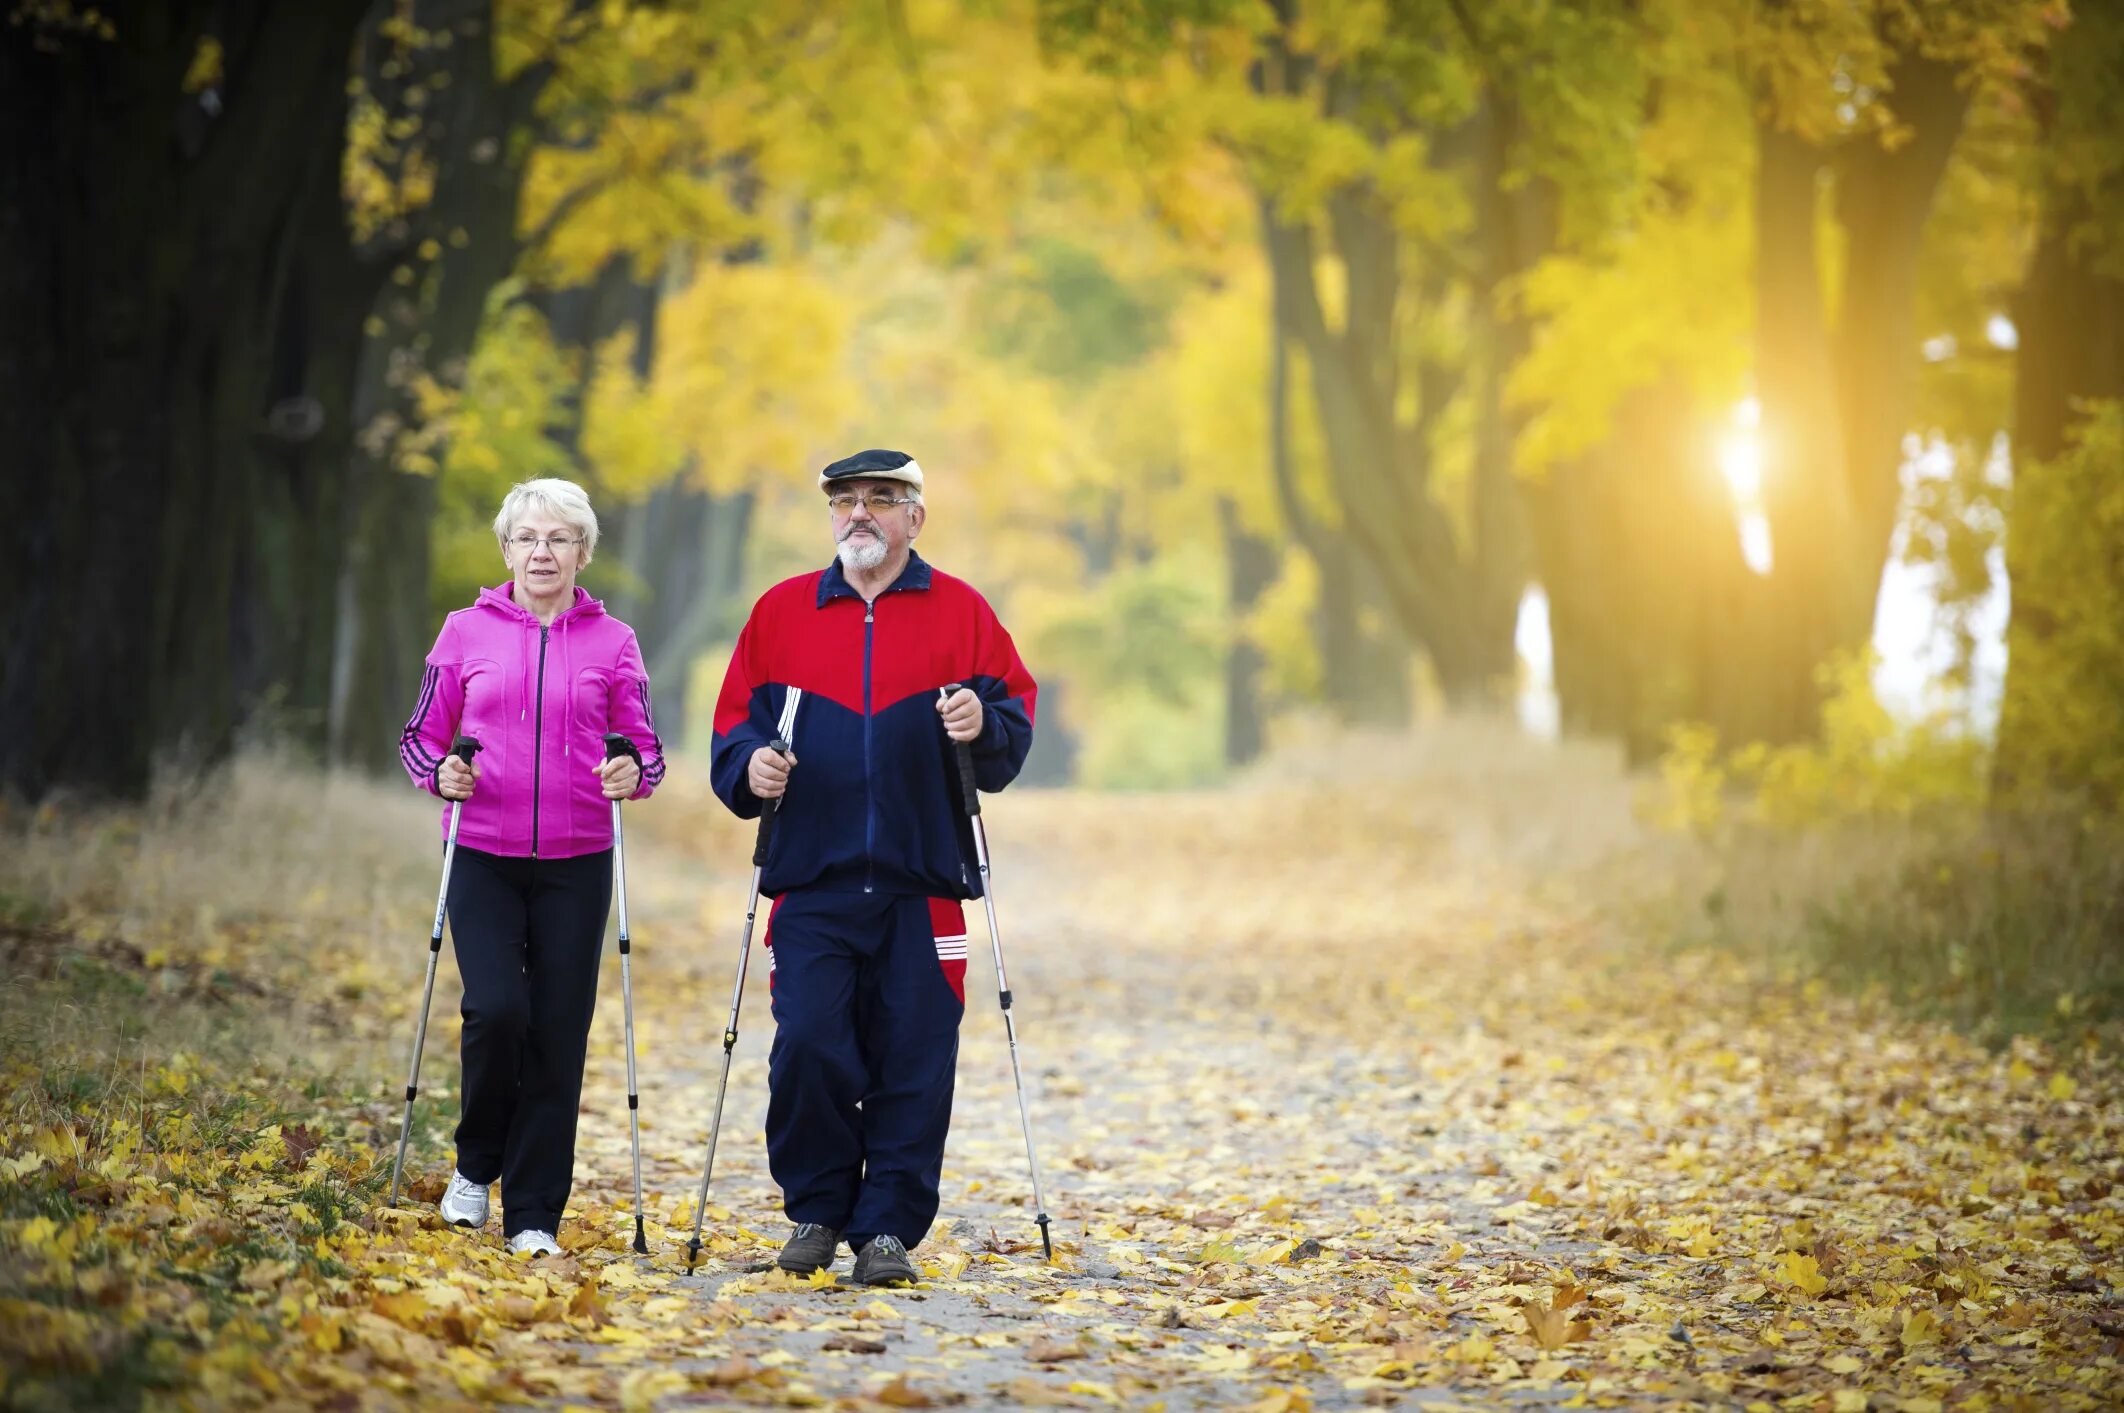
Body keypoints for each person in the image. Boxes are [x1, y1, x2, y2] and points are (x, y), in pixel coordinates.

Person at [710, 449, 1036, 1286]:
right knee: (811, 1046)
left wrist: (980, 721)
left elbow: (1012, 723)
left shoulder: (962, 612)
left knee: (915, 1057)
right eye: (846, 500)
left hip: (922, 882)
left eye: (882, 500)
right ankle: (817, 1211)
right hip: (811, 880)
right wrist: (750, 767)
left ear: (914, 517)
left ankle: (887, 1229)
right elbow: (732, 730)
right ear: (830, 516)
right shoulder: (782, 612)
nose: (861, 514)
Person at [398, 477, 666, 1257]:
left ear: (583, 552)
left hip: (579, 860)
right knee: (496, 1012)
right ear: (507, 548)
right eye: (527, 538)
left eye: (558, 539)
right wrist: (442, 772)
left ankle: (535, 1214)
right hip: (481, 850)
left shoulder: (613, 641)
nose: (542, 552)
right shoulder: (463, 631)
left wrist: (632, 774)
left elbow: (643, 747)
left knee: (557, 1030)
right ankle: (475, 1167)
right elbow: (420, 737)